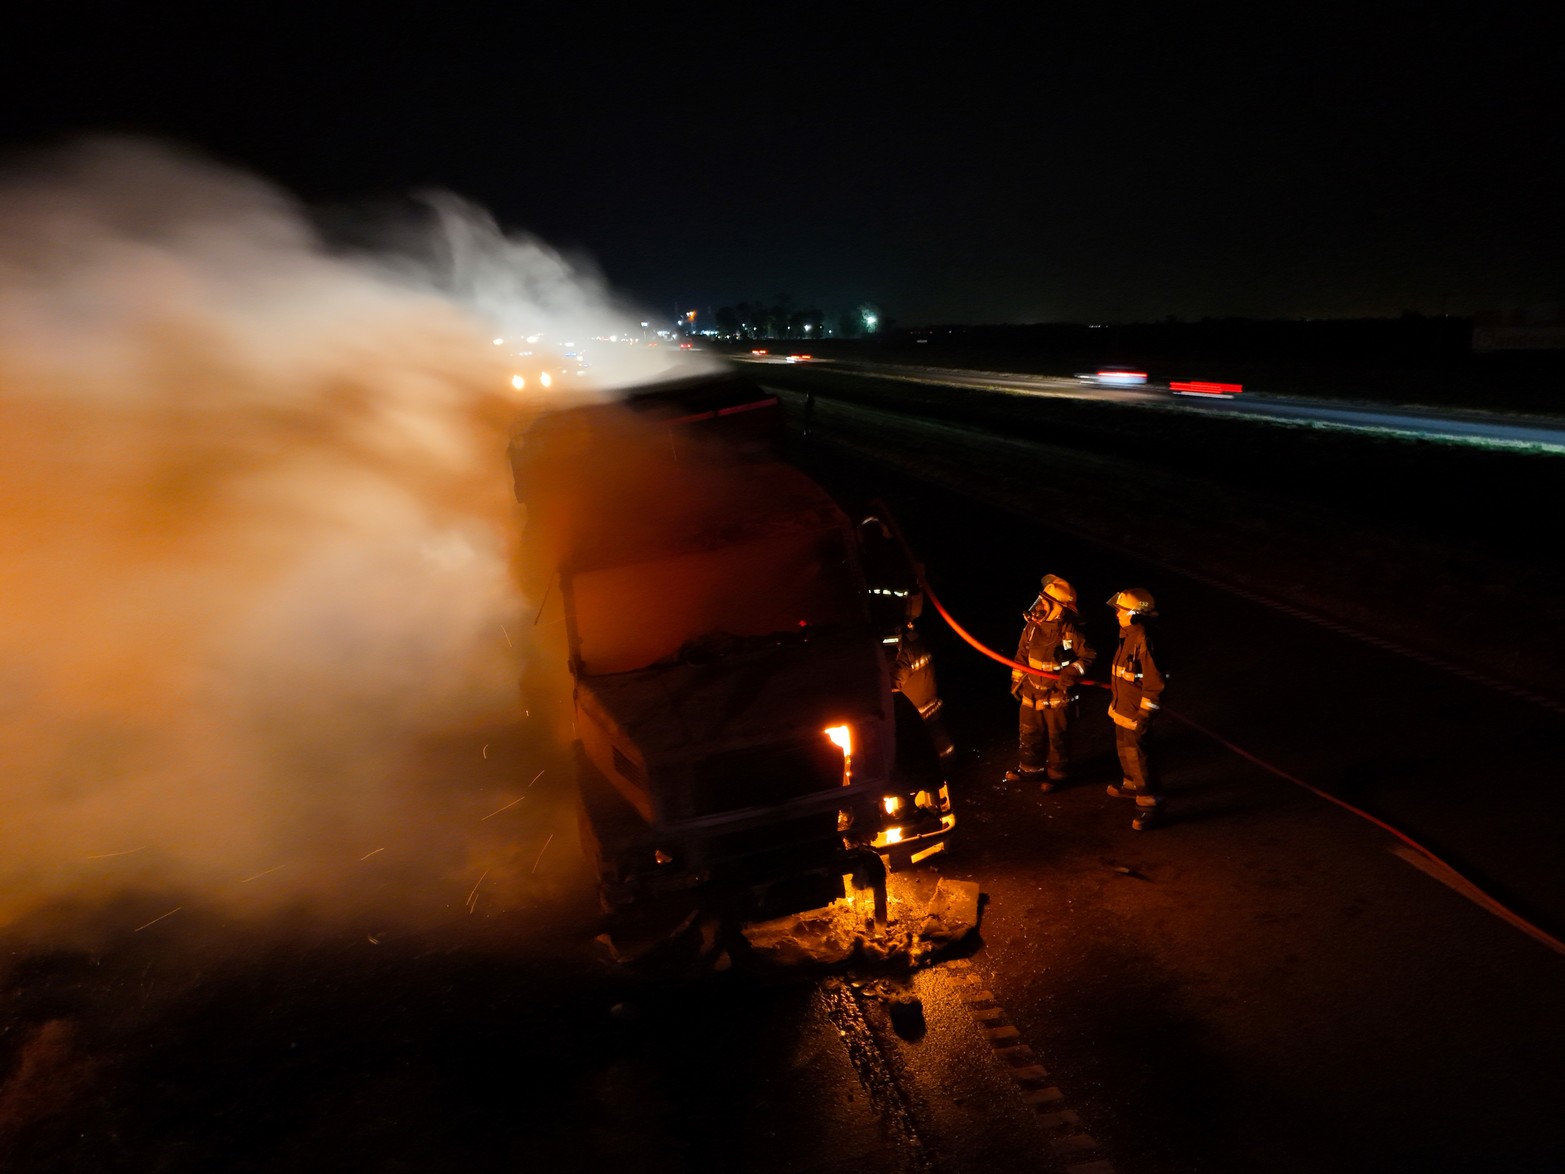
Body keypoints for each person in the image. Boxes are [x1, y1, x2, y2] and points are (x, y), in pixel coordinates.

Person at [1004, 574, 1095, 792]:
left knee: (1057, 736)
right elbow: (1021, 654)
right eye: (1039, 601)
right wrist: (1016, 681)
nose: (1038, 607)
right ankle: (1029, 769)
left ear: (1058, 607)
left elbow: (1089, 655)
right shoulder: (1033, 627)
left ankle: (1058, 775)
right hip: (1031, 690)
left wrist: (1072, 671)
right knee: (1029, 731)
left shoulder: (1069, 631)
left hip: (1057, 693)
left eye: (1044, 603)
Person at [1105, 588, 1166, 830]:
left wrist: (1145, 713)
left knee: (1139, 757)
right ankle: (1132, 786)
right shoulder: (1128, 634)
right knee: (1125, 751)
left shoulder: (1143, 638)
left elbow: (1155, 683)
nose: (1116, 614)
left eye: (1120, 610)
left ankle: (1151, 806)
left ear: (1134, 613)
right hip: (1123, 708)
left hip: (1135, 712)